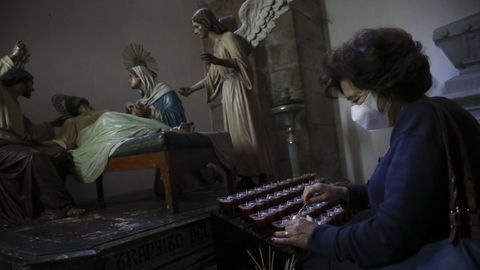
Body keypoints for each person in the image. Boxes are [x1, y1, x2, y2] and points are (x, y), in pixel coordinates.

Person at [271, 28, 480, 268]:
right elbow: (405, 194)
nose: (354, 110)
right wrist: (343, 193)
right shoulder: (426, 113)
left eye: (357, 99)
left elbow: (387, 237)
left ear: (387, 85)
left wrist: (315, 235)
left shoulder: (420, 123)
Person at [179, 8, 274, 187]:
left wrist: (218, 61)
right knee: (235, 136)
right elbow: (212, 76)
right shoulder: (216, 46)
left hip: (239, 88)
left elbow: (241, 62)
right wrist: (192, 89)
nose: (195, 31)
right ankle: (246, 174)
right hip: (228, 91)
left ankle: (260, 171)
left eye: (196, 26)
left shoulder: (229, 38)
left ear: (206, 24)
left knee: (246, 130)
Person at [0, 42, 85, 225]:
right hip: (3, 147)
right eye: (31, 84)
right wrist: (11, 59)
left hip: (16, 145)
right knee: (36, 157)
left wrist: (52, 125)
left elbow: (28, 129)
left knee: (59, 153)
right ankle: (59, 207)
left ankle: (43, 203)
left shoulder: (13, 103)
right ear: (21, 82)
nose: (33, 88)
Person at [49, 95, 193, 183]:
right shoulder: (72, 122)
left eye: (85, 104)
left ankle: (168, 130)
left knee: (122, 122)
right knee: (109, 119)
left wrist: (128, 107)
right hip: (94, 136)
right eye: (80, 106)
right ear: (74, 109)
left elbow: (122, 119)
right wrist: (37, 142)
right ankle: (166, 131)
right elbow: (65, 142)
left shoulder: (102, 112)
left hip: (113, 128)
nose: (85, 108)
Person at [123, 44, 187, 127]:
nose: (128, 81)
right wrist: (128, 108)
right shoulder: (141, 102)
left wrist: (150, 112)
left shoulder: (165, 93)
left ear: (140, 76)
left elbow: (179, 119)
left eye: (130, 77)